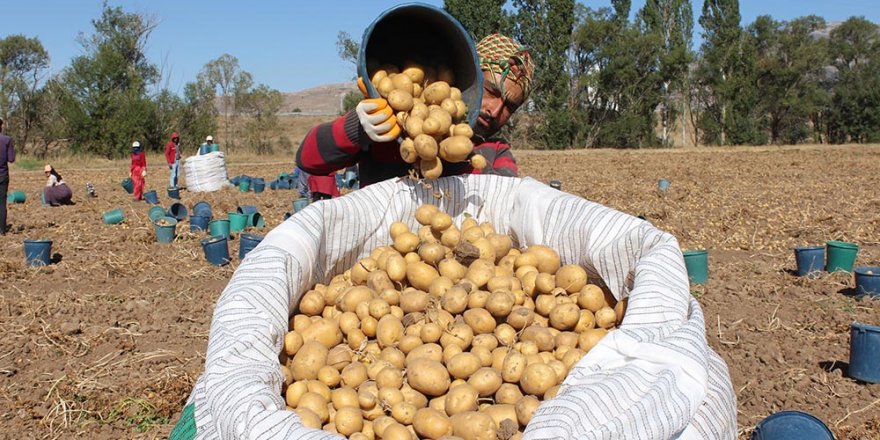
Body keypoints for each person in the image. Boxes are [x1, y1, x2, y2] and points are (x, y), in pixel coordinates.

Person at [296, 33, 532, 187]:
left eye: (509, 106)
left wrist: (458, 155)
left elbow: (505, 195)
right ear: (471, 80)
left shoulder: (497, 153)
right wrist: (358, 127)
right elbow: (308, 159)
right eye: (491, 91)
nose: (495, 109)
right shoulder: (384, 135)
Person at [0, 117, 14, 235]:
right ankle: (2, 230)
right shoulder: (7, 140)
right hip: (3, 175)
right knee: (2, 203)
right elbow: (11, 159)